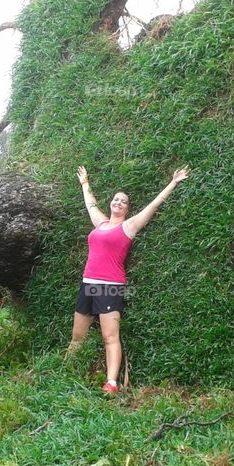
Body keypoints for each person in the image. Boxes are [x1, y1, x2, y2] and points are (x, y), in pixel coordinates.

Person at [70, 164, 190, 395]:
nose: (118, 202)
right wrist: (85, 183)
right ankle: (67, 372)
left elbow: (153, 205)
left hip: (111, 287)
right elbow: (90, 205)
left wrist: (173, 182)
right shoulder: (101, 224)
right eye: (115, 199)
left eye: (123, 201)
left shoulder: (129, 226)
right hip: (88, 284)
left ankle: (112, 383)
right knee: (77, 336)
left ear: (127, 208)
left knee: (109, 336)